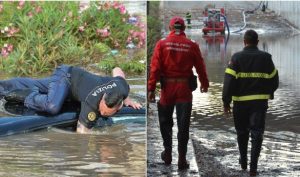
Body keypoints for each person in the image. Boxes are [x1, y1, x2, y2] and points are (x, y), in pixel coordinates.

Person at [0, 65, 142, 134]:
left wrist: (127, 99)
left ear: (119, 106)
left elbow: (117, 70)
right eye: (101, 109)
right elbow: (82, 132)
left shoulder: (122, 87)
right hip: (66, 75)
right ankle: (24, 95)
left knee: (37, 85)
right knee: (52, 106)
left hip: (75, 86)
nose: (101, 113)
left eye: (105, 113)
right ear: (103, 98)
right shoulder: (91, 103)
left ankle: (3, 87)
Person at [148, 16, 209, 170]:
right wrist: (204, 84)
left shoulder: (161, 44)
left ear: (170, 28)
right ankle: (182, 159)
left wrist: (150, 89)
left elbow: (155, 68)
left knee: (165, 122)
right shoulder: (191, 45)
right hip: (184, 90)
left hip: (167, 89)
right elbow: (200, 66)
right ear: (184, 29)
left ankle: (168, 153)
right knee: (184, 126)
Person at [222, 29, 279, 176]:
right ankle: (253, 168)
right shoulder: (266, 58)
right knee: (257, 133)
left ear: (244, 42)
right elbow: (274, 80)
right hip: (259, 103)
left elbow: (228, 82)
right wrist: (268, 93)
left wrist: (226, 101)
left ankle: (243, 161)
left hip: (240, 104)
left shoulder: (236, 58)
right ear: (257, 42)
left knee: (242, 132)